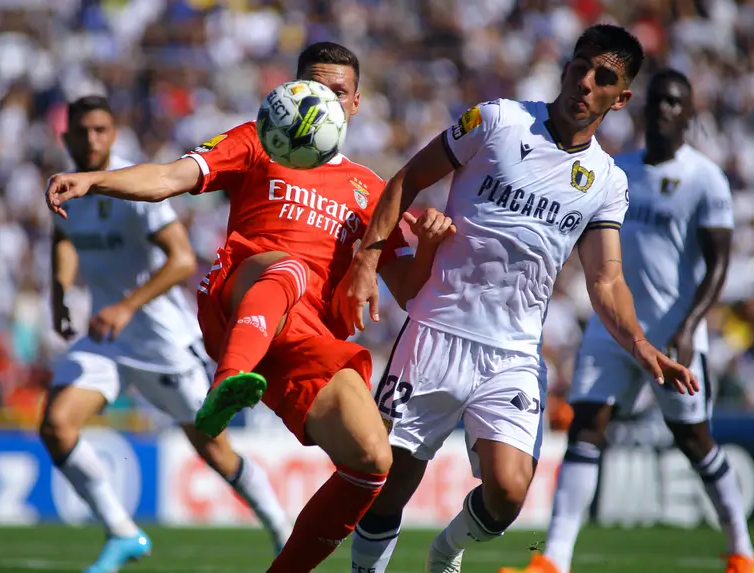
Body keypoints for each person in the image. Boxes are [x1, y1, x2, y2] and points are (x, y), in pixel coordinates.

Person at [45, 44, 456, 573]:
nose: (319, 101)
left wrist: (427, 244)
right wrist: (93, 180)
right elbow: (170, 178)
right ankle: (227, 382)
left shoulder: (371, 191)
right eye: (310, 87)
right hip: (241, 297)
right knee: (286, 269)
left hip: (305, 340)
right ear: (290, 89)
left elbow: (410, 292)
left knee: (372, 461)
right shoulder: (259, 140)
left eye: (335, 93)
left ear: (354, 103)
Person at [339, 25, 699, 573]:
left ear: (620, 98)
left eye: (603, 77)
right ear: (566, 67)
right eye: (581, 66)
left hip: (511, 354)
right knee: (389, 489)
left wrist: (642, 346)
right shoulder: (499, 121)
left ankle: (445, 550)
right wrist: (368, 261)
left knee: (507, 495)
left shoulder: (606, 180)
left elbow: (606, 282)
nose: (585, 82)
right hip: (435, 332)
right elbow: (407, 179)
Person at [500, 69, 754, 573]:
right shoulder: (618, 170)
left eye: (674, 103)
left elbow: (719, 263)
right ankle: (552, 560)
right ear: (642, 109)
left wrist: (690, 325)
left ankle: (743, 551)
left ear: (688, 114)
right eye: (658, 101)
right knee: (586, 427)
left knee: (694, 440)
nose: (664, 109)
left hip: (672, 332)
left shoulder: (705, 178)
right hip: (610, 325)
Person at [42, 96, 290, 573]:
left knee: (215, 452)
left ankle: (282, 530)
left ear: (112, 135)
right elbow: (64, 237)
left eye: (101, 130)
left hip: (163, 343)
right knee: (56, 425)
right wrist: (58, 292)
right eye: (83, 132)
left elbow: (180, 260)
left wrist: (124, 307)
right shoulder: (66, 187)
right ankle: (122, 533)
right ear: (66, 137)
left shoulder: (129, 188)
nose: (92, 139)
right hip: (108, 341)